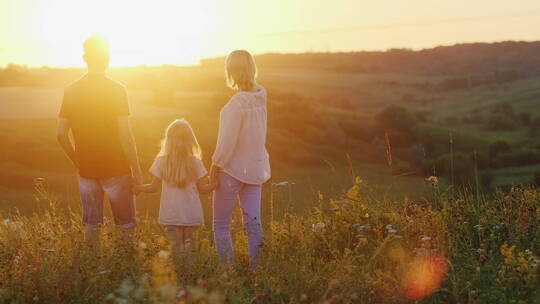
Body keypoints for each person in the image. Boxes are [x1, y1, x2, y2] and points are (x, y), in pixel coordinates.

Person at [56, 35, 142, 246]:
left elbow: (60, 134)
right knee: (125, 227)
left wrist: (77, 160)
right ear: (108, 59)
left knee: (92, 227)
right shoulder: (118, 90)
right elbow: (125, 134)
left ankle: (91, 272)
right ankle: (126, 271)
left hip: (87, 169)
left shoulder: (71, 90)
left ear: (85, 58)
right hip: (118, 169)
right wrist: (137, 172)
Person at [210, 50, 271, 269]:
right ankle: (257, 269)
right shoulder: (261, 95)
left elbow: (227, 143)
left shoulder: (235, 104)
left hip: (231, 170)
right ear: (252, 68)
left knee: (220, 224)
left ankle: (228, 272)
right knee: (253, 223)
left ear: (231, 71)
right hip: (255, 168)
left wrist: (214, 166)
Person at [135, 119, 216, 267]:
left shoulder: (161, 161)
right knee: (190, 251)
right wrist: (216, 184)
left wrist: (138, 187)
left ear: (168, 140)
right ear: (190, 140)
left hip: (171, 215)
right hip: (191, 214)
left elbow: (153, 188)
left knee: (176, 250)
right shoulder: (195, 162)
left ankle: (179, 280)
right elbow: (204, 189)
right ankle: (190, 279)